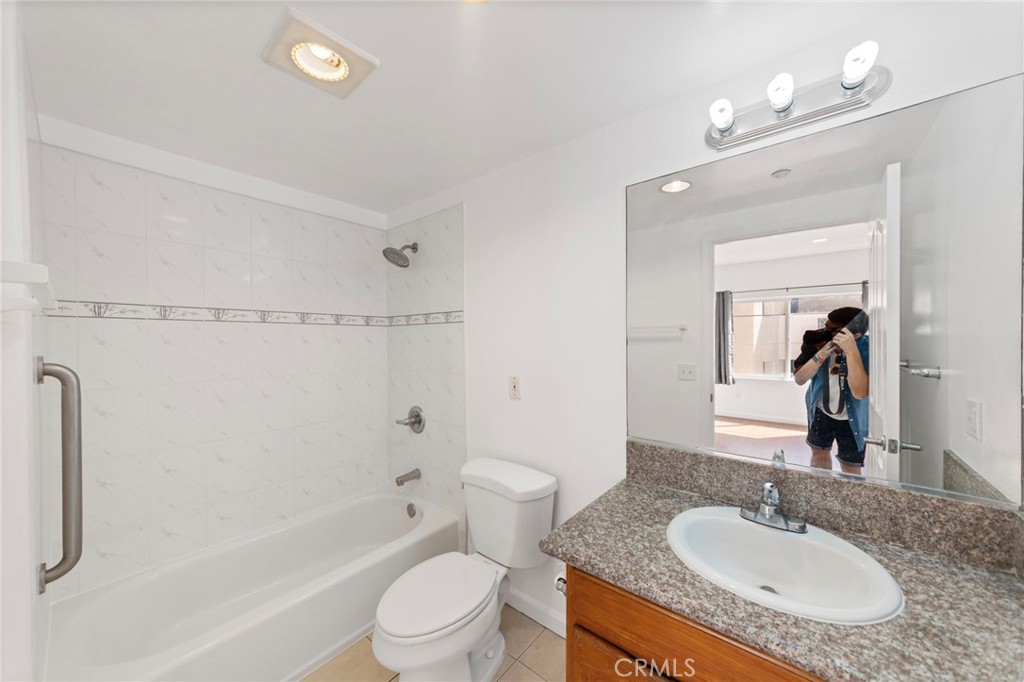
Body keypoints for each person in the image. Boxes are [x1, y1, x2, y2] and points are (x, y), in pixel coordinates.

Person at [793, 307, 869, 474]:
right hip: (821, 411)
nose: (825, 332)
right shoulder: (817, 341)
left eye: (832, 330)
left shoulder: (866, 348)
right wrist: (820, 355)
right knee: (818, 457)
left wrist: (850, 351)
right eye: (825, 326)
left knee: (851, 468)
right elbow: (799, 379)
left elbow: (860, 392)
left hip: (853, 417)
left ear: (854, 336)